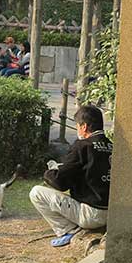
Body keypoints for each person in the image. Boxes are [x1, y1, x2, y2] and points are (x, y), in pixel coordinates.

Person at [29, 104, 112, 247]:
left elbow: (60, 182)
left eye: (78, 126)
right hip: (112, 213)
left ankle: (68, 230)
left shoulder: (82, 146)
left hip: (90, 215)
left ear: (84, 127)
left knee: (36, 193)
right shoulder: (112, 146)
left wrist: (49, 172)